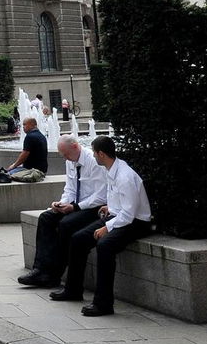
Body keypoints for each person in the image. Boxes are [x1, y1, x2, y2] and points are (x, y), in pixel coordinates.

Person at [50, 135, 152, 316]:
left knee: (104, 246)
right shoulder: (111, 169)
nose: (93, 156)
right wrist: (109, 207)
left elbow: (129, 215)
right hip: (118, 216)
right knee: (78, 238)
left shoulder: (125, 176)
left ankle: (103, 303)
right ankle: (73, 290)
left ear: (102, 154)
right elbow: (120, 203)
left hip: (136, 222)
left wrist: (107, 227)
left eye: (95, 153)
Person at [18, 135, 107, 287]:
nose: (65, 158)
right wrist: (61, 203)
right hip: (77, 204)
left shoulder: (93, 162)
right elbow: (71, 189)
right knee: (46, 218)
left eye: (66, 154)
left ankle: (53, 274)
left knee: (66, 224)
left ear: (75, 147)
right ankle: (40, 269)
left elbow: (100, 195)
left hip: (94, 207)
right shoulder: (70, 161)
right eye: (63, 155)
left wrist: (75, 207)